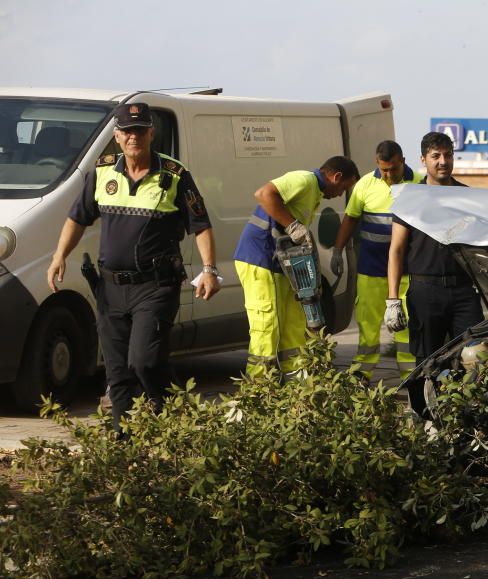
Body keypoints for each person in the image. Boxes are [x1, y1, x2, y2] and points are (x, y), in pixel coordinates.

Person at [46, 102, 220, 431]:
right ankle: (124, 448)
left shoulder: (174, 175)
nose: (133, 137)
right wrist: (59, 256)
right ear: (116, 136)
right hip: (110, 288)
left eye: (139, 130)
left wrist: (209, 270)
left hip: (155, 286)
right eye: (127, 131)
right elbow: (77, 218)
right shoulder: (101, 172)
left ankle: (167, 411)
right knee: (117, 374)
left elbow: (201, 225)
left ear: (151, 133)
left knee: (145, 361)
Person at [233, 156, 360, 377]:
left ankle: (295, 386)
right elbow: (264, 194)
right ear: (336, 176)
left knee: (294, 322)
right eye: (344, 188)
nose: (340, 195)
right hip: (260, 258)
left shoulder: (314, 191)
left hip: (280, 263)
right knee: (267, 326)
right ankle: (259, 388)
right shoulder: (304, 180)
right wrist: (292, 225)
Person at [385, 132, 483, 364]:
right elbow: (396, 250)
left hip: (463, 292)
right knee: (427, 362)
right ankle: (424, 402)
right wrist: (392, 299)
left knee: (477, 355)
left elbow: (480, 245)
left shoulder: (468, 197)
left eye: (448, 155)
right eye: (435, 156)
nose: (443, 161)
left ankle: (467, 402)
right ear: (423, 160)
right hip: (425, 291)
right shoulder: (410, 199)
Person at [332, 141, 421, 380]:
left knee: (407, 328)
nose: (389, 174)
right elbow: (350, 219)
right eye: (384, 170)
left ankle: (410, 378)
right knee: (368, 327)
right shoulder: (365, 184)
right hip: (371, 269)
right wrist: (337, 251)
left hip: (407, 270)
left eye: (393, 169)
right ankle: (362, 376)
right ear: (377, 164)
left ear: (402, 161)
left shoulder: (420, 183)